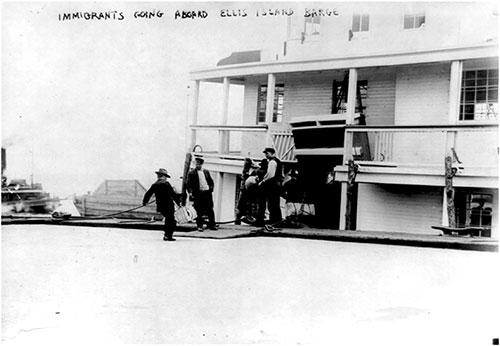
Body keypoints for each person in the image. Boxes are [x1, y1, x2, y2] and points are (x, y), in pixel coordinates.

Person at [143, 168, 180, 242]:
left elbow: (148, 193)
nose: (166, 178)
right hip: (168, 205)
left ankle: (167, 235)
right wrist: (179, 203)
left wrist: (145, 202)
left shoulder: (155, 184)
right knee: (171, 220)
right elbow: (172, 194)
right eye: (165, 176)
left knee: (168, 219)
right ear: (163, 176)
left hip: (160, 205)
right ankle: (168, 235)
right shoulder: (166, 184)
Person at [186, 157, 218, 231]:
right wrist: (190, 192)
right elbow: (188, 184)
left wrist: (211, 189)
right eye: (196, 164)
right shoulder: (192, 173)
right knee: (199, 210)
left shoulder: (206, 172)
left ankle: (212, 225)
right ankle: (199, 226)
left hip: (207, 193)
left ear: (202, 164)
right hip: (198, 194)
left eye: (199, 164)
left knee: (210, 209)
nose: (197, 165)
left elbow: (211, 181)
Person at [257, 147, 284, 226]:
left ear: (272, 153)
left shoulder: (272, 162)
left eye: (267, 153)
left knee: (271, 203)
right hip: (277, 184)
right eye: (265, 153)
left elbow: (270, 174)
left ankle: (272, 220)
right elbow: (281, 175)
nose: (266, 155)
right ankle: (276, 219)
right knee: (275, 203)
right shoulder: (278, 161)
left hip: (272, 184)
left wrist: (263, 181)